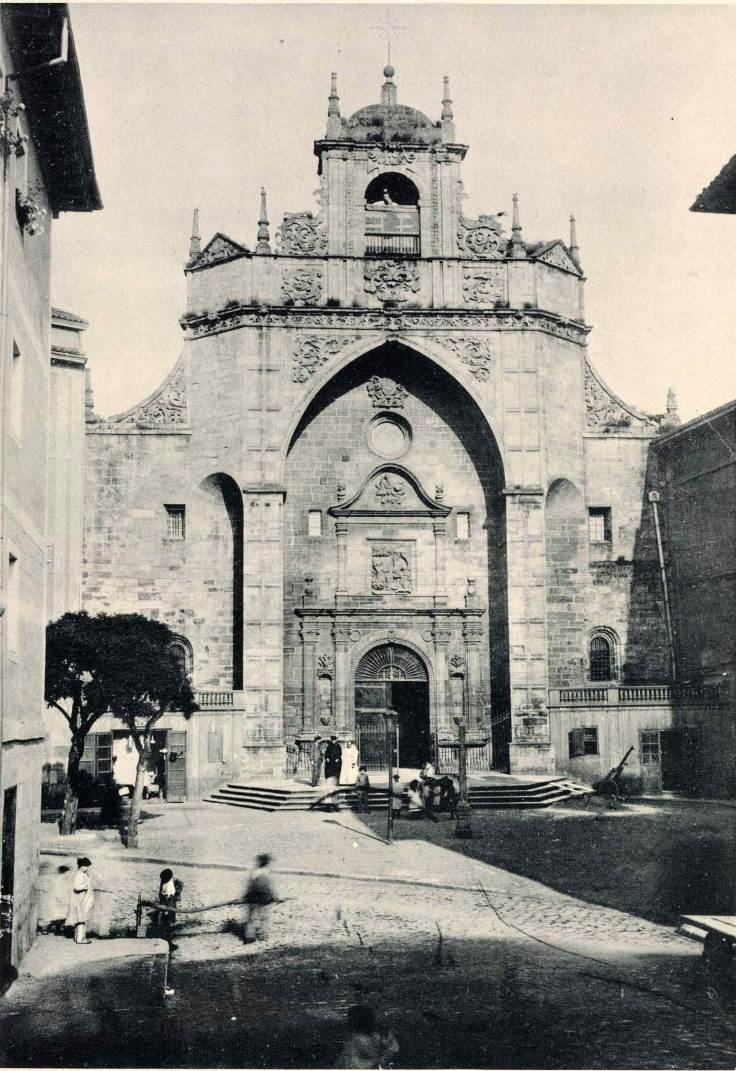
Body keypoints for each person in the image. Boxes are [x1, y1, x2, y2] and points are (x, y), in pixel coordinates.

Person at [335, 1004, 399, 1069]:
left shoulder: (372, 1036)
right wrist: (387, 1054)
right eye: (373, 1019)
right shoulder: (359, 1040)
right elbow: (362, 1065)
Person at [243, 854, 281, 943]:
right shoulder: (266, 872)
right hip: (263, 897)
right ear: (266, 863)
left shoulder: (254, 872)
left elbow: (250, 886)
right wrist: (274, 897)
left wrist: (246, 896)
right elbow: (268, 887)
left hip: (253, 897)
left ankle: (250, 936)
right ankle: (263, 935)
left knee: (251, 917)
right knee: (263, 917)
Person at [65, 857, 95, 944]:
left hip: (81, 899)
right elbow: (77, 887)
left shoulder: (82, 874)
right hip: (80, 900)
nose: (87, 868)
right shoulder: (79, 875)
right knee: (81, 920)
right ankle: (80, 939)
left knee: (80, 919)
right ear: (82, 866)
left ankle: (78, 937)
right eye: (86, 866)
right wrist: (85, 887)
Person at [155, 868, 183, 947]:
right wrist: (160, 898)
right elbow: (160, 890)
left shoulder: (174, 880)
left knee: (170, 920)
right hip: (164, 901)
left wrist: (177, 893)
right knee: (162, 920)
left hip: (171, 902)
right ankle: (165, 939)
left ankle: (169, 939)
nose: (164, 880)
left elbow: (181, 884)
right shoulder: (163, 880)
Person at [323, 735, 343, 808]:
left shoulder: (338, 746)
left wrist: (338, 758)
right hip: (330, 761)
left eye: (334, 740)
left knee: (336, 772)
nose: (333, 741)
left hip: (336, 761)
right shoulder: (329, 746)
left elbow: (340, 753)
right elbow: (326, 753)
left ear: (336, 740)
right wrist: (327, 758)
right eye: (332, 740)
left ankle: (335, 782)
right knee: (330, 772)